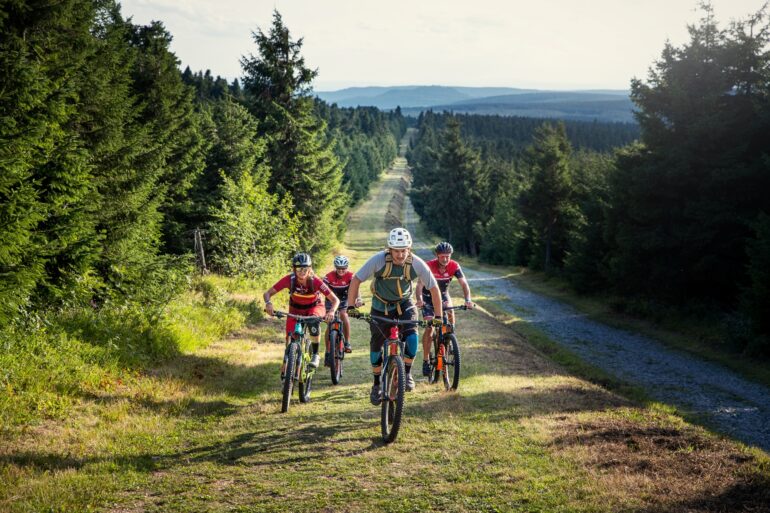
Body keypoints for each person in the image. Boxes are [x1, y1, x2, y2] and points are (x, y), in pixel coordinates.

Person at [347, 227, 443, 405]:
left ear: (409, 249)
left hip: (404, 304)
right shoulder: (379, 260)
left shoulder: (416, 263)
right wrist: (351, 306)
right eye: (396, 251)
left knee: (412, 336)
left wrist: (438, 315)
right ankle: (376, 384)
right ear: (389, 250)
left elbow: (434, 288)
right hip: (380, 306)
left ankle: (406, 372)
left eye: (404, 250)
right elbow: (356, 279)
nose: (400, 255)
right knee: (376, 344)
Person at [264, 252, 339, 374]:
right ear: (294, 269)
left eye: (305, 268)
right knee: (290, 336)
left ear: (310, 268)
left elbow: (335, 300)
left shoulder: (315, 281)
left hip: (314, 307)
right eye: (299, 268)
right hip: (295, 310)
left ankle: (315, 354)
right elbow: (267, 293)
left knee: (314, 322)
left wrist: (331, 311)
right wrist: (268, 303)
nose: (302, 271)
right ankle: (288, 361)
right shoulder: (289, 279)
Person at [415, 241, 474, 377]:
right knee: (430, 327)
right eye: (442, 256)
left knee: (450, 312)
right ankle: (425, 359)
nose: (445, 259)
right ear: (437, 255)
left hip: (443, 295)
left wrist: (468, 300)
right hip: (428, 297)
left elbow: (464, 283)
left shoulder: (454, 266)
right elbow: (419, 286)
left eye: (448, 256)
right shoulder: (429, 266)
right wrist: (419, 300)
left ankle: (448, 338)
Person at [322, 255, 353, 366]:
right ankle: (328, 351)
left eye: (343, 268)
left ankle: (347, 342)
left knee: (343, 314)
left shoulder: (351, 276)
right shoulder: (328, 277)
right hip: (331, 300)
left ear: (347, 267)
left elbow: (355, 290)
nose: (341, 271)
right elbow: (322, 290)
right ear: (335, 267)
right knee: (330, 322)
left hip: (344, 299)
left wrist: (357, 299)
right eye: (338, 268)